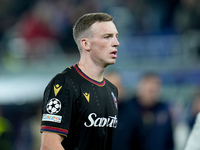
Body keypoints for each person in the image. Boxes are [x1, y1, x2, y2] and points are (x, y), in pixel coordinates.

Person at [40, 12, 120, 150]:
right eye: (107, 37)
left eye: (116, 37)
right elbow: (49, 145)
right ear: (86, 44)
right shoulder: (65, 83)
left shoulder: (112, 90)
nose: (116, 43)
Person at [123, 72, 174, 150]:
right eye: (150, 90)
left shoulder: (163, 110)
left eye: (155, 90)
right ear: (139, 88)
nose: (152, 94)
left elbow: (169, 141)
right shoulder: (127, 108)